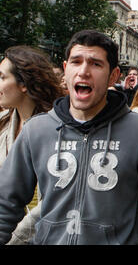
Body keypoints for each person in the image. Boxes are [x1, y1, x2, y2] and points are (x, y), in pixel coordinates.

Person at [0, 30, 138, 245]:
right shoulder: (37, 130)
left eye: (95, 64)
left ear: (114, 75)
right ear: (65, 70)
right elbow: (6, 202)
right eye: (76, 62)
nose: (83, 71)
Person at [0, 46, 65, 244]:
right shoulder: (3, 122)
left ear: (23, 85)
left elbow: (55, 198)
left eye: (2, 77)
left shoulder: (58, 131)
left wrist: (16, 236)